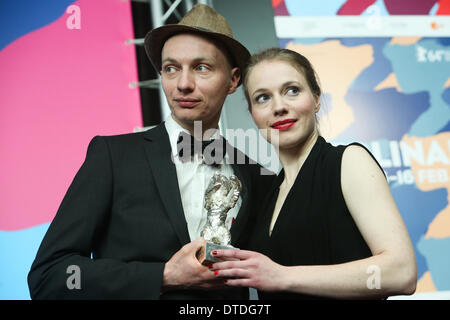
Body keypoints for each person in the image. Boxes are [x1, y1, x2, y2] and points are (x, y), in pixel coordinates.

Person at [27, 4, 273, 300]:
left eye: (201, 67)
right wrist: (164, 276)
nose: (183, 84)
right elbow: (50, 275)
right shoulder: (113, 157)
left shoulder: (258, 177)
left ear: (233, 80)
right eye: (171, 68)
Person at [210, 48, 417, 299]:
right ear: (253, 114)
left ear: (316, 98)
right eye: (263, 97)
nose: (279, 107)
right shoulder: (269, 194)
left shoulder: (348, 162)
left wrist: (282, 276)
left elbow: (402, 273)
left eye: (292, 90)